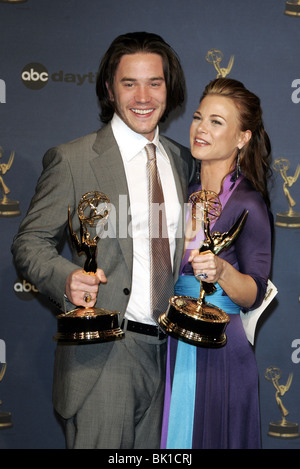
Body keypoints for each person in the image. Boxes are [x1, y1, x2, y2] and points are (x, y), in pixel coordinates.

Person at [11, 32, 194, 449]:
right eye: (129, 83)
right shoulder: (73, 160)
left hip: (171, 357)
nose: (143, 96)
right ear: (110, 90)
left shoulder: (181, 160)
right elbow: (30, 242)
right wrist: (65, 278)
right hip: (105, 355)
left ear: (170, 88)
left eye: (155, 82)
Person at [161, 78, 273, 449]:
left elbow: (254, 293)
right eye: (197, 117)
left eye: (216, 121)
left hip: (221, 349)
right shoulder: (179, 193)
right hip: (172, 342)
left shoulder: (248, 203)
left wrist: (222, 271)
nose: (201, 129)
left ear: (243, 137)